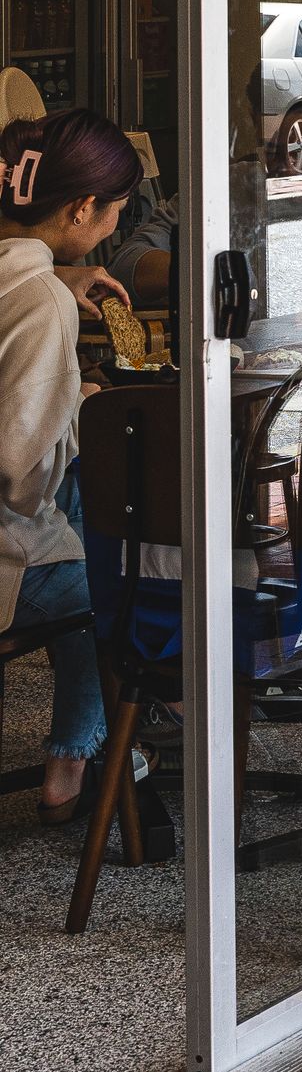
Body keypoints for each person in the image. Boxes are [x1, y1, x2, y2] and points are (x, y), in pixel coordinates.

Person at [0, 108, 143, 820]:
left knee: (83, 518)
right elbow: (20, 473)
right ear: (82, 207)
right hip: (4, 562)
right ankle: (90, 756)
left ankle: (84, 749)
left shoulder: (34, 284)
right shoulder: (44, 302)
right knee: (115, 584)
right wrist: (77, 411)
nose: (115, 228)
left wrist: (58, 272)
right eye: (114, 212)